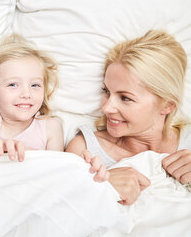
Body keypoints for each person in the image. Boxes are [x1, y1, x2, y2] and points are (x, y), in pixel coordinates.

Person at [66, 30, 191, 204]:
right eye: (106, 92)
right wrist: (101, 189)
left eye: (125, 98)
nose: (106, 107)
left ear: (168, 105)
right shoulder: (85, 150)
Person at [0, 35, 108, 181]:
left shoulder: (50, 126)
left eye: (35, 85)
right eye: (13, 84)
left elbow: (56, 172)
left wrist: (78, 165)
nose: (26, 94)